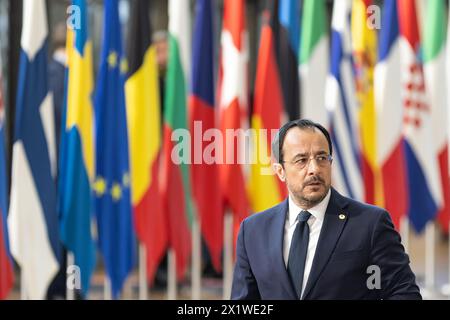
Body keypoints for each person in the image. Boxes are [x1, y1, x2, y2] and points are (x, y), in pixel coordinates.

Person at [231, 119, 421, 300]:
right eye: (301, 160)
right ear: (280, 171)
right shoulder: (253, 231)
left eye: (322, 158)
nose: (314, 169)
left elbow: (404, 292)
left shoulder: (369, 223)